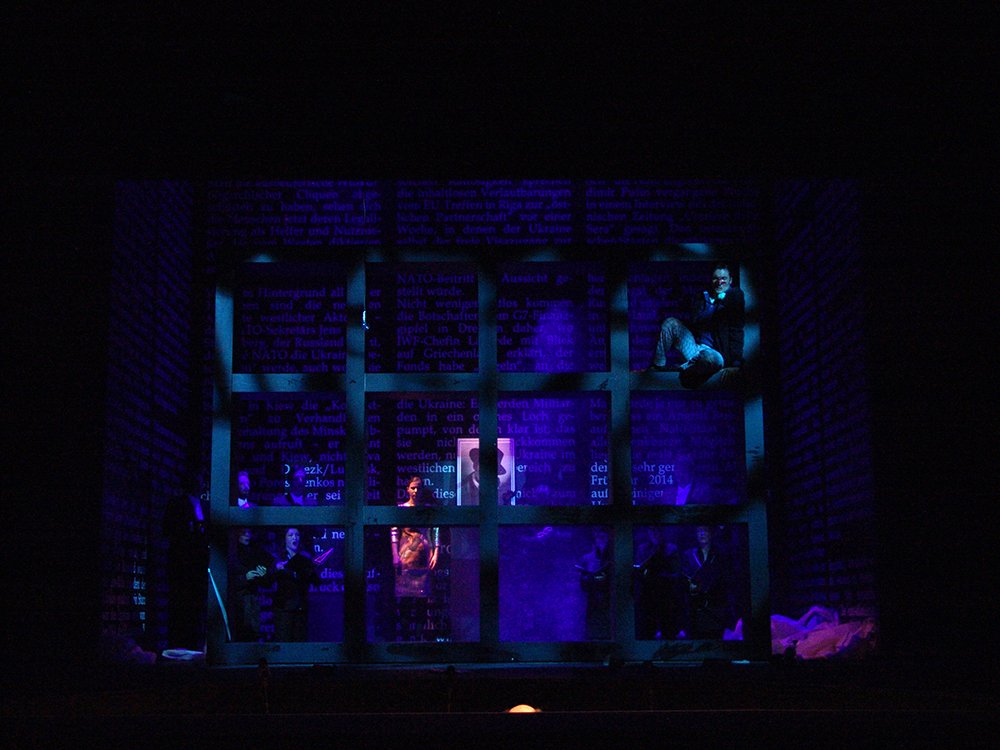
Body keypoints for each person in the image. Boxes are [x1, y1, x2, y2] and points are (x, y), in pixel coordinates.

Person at [648, 264, 745, 382]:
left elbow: (736, 332)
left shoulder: (735, 297)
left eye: (723, 278)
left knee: (711, 359)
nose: (719, 282)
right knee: (670, 323)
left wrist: (736, 364)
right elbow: (693, 322)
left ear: (730, 280)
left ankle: (685, 367)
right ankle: (658, 366)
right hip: (695, 348)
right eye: (716, 278)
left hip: (714, 354)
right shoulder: (702, 297)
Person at [390, 475, 440, 641]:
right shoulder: (401, 509)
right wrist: (395, 554)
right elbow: (394, 531)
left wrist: (436, 551)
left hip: (423, 557)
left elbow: (435, 529)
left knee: (422, 602)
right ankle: (405, 637)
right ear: (407, 489)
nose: (416, 491)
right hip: (405, 557)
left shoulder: (427, 509)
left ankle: (418, 637)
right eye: (413, 487)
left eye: (418, 487)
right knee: (405, 601)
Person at [163, 480, 209, 650]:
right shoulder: (177, 504)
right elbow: (168, 530)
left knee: (196, 608)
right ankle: (179, 645)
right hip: (182, 564)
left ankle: (194, 645)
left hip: (199, 565)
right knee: (180, 607)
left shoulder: (204, 505)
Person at [679, 525, 736, 639]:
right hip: (696, 608)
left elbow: (728, 578)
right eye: (699, 531)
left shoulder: (721, 554)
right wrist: (690, 586)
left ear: (711, 533)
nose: (702, 533)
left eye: (705, 530)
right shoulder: (689, 555)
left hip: (715, 607)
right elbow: (684, 577)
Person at [632, 526, 683, 639]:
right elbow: (638, 569)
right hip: (647, 595)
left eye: (656, 530)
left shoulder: (671, 548)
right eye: (651, 530)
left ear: (661, 532)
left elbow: (676, 572)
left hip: (667, 595)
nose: (654, 533)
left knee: (668, 628)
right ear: (648, 532)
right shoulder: (642, 548)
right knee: (648, 628)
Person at [273, 527, 320, 641]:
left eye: (297, 535)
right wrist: (277, 569)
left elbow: (316, 581)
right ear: (285, 539)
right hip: (284, 608)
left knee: (300, 642)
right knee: (284, 641)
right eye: (291, 535)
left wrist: (310, 570)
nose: (295, 538)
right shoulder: (278, 556)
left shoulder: (305, 556)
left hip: (301, 607)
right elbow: (268, 578)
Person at [229, 526, 273, 641]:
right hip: (238, 601)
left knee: (253, 632)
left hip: (253, 598)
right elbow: (228, 581)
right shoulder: (232, 554)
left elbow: (267, 575)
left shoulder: (255, 551)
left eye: (249, 532)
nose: (247, 535)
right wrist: (245, 578)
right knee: (242, 632)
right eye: (244, 533)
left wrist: (263, 572)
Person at [577, 527, 613, 640]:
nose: (600, 540)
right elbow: (583, 584)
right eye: (597, 537)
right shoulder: (587, 558)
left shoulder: (614, 556)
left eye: (603, 537)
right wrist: (587, 577)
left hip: (610, 599)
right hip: (593, 599)